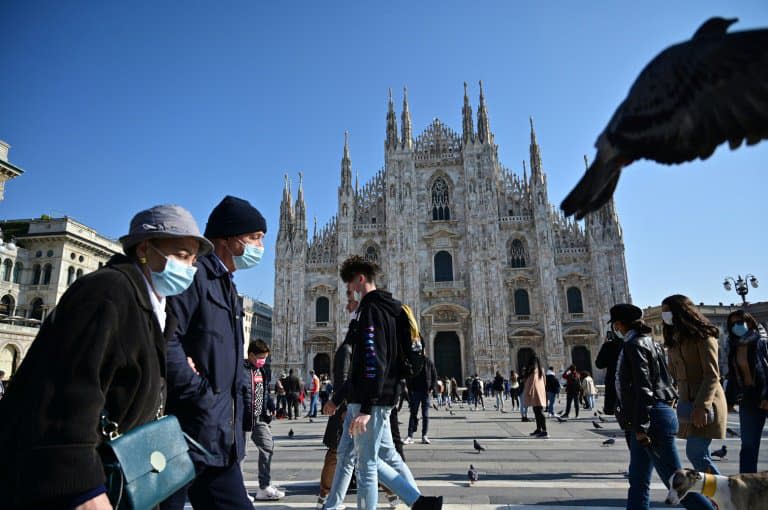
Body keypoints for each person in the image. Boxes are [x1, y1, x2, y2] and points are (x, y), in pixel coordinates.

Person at [0, 204, 211, 509]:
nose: (189, 268)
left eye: (193, 259)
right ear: (144, 249)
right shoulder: (107, 292)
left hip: (113, 473)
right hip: (65, 486)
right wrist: (82, 490)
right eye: (180, 255)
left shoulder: (154, 308)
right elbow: (64, 392)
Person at [162, 195, 273, 509]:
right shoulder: (195, 276)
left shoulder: (227, 284)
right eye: (255, 238)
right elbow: (166, 341)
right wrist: (201, 394)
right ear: (229, 239)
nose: (260, 246)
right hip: (187, 436)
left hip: (218, 440)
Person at [339, 255, 442, 510]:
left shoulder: (372, 311)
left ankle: (419, 503)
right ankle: (420, 503)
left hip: (374, 398)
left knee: (367, 466)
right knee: (386, 456)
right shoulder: (391, 306)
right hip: (386, 396)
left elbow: (375, 358)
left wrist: (367, 406)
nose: (348, 291)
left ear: (360, 279)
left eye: (350, 284)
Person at [612, 303, 714, 510]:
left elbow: (643, 387)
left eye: (615, 324)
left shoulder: (635, 345)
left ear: (620, 324)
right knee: (638, 479)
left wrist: (641, 426)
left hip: (650, 418)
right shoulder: (652, 344)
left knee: (674, 481)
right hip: (653, 414)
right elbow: (668, 382)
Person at [661, 294, 727, 475]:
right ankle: (715, 496)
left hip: (706, 400)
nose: (664, 316)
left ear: (680, 311)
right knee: (699, 454)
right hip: (686, 401)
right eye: (662, 312)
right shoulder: (675, 341)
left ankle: (723, 495)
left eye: (667, 311)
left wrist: (702, 407)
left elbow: (712, 375)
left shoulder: (703, 337)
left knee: (696, 453)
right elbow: (673, 375)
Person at [317, 290, 357, 510]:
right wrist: (342, 406)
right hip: (346, 410)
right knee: (336, 453)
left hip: (353, 409)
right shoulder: (347, 351)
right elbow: (342, 382)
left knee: (357, 454)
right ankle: (325, 496)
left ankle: (330, 498)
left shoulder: (354, 350)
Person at [724, 309, 768, 473]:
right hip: (748, 398)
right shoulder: (733, 346)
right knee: (748, 445)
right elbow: (733, 375)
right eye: (733, 324)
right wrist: (729, 400)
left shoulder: (762, 342)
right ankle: (747, 486)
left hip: (765, 393)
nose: (737, 326)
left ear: (750, 322)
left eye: (740, 322)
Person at [243, 339, 283, 500]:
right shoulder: (240, 370)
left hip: (259, 417)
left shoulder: (262, 371)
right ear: (251, 355)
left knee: (268, 446)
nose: (263, 361)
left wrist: (271, 404)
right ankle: (238, 490)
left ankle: (264, 487)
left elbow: (264, 390)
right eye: (261, 357)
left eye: (265, 358)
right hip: (243, 418)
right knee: (240, 455)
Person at [404, 355, 438, 445]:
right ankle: (410, 436)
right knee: (413, 413)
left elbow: (434, 375)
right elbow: (408, 375)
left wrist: (431, 388)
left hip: (426, 392)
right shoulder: (413, 361)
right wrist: (409, 388)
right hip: (415, 391)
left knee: (425, 415)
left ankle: (424, 436)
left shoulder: (429, 362)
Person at [595, 330, 623, 416]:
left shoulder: (609, 346)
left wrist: (605, 346)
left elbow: (599, 364)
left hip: (614, 382)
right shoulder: (635, 342)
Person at [524, 354, 548, 437]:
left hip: (535, 393)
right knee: (537, 411)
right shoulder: (541, 370)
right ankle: (539, 429)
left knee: (539, 412)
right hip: (539, 393)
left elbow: (532, 382)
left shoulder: (534, 371)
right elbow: (545, 382)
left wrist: (528, 392)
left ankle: (544, 431)